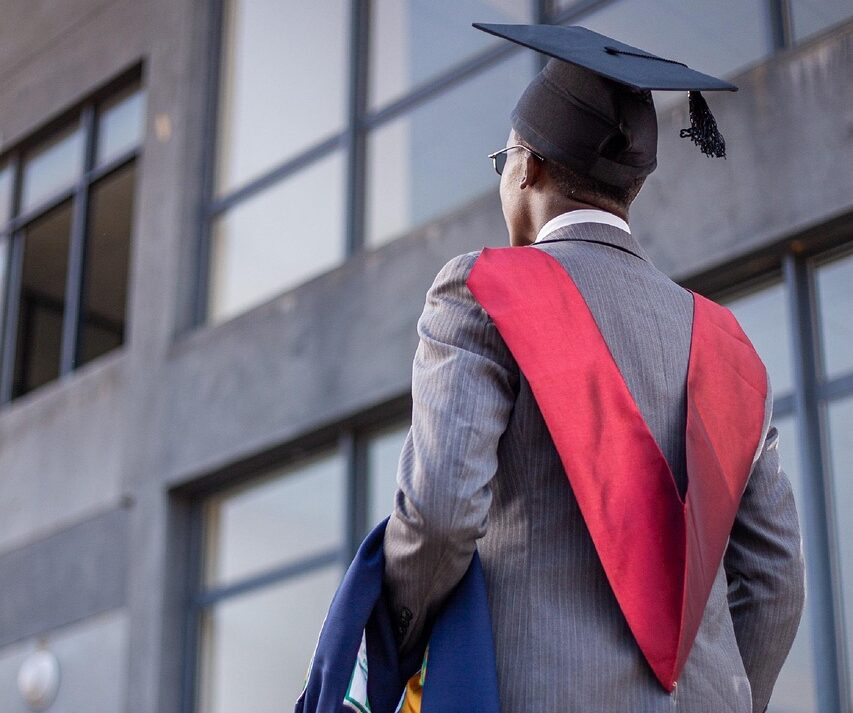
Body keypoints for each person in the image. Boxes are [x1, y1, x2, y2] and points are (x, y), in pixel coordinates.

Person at [380, 23, 805, 713]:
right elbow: (775, 580)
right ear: (630, 186)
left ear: (527, 166)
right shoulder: (726, 342)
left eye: (503, 162)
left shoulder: (482, 289)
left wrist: (392, 647)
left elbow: (439, 513)